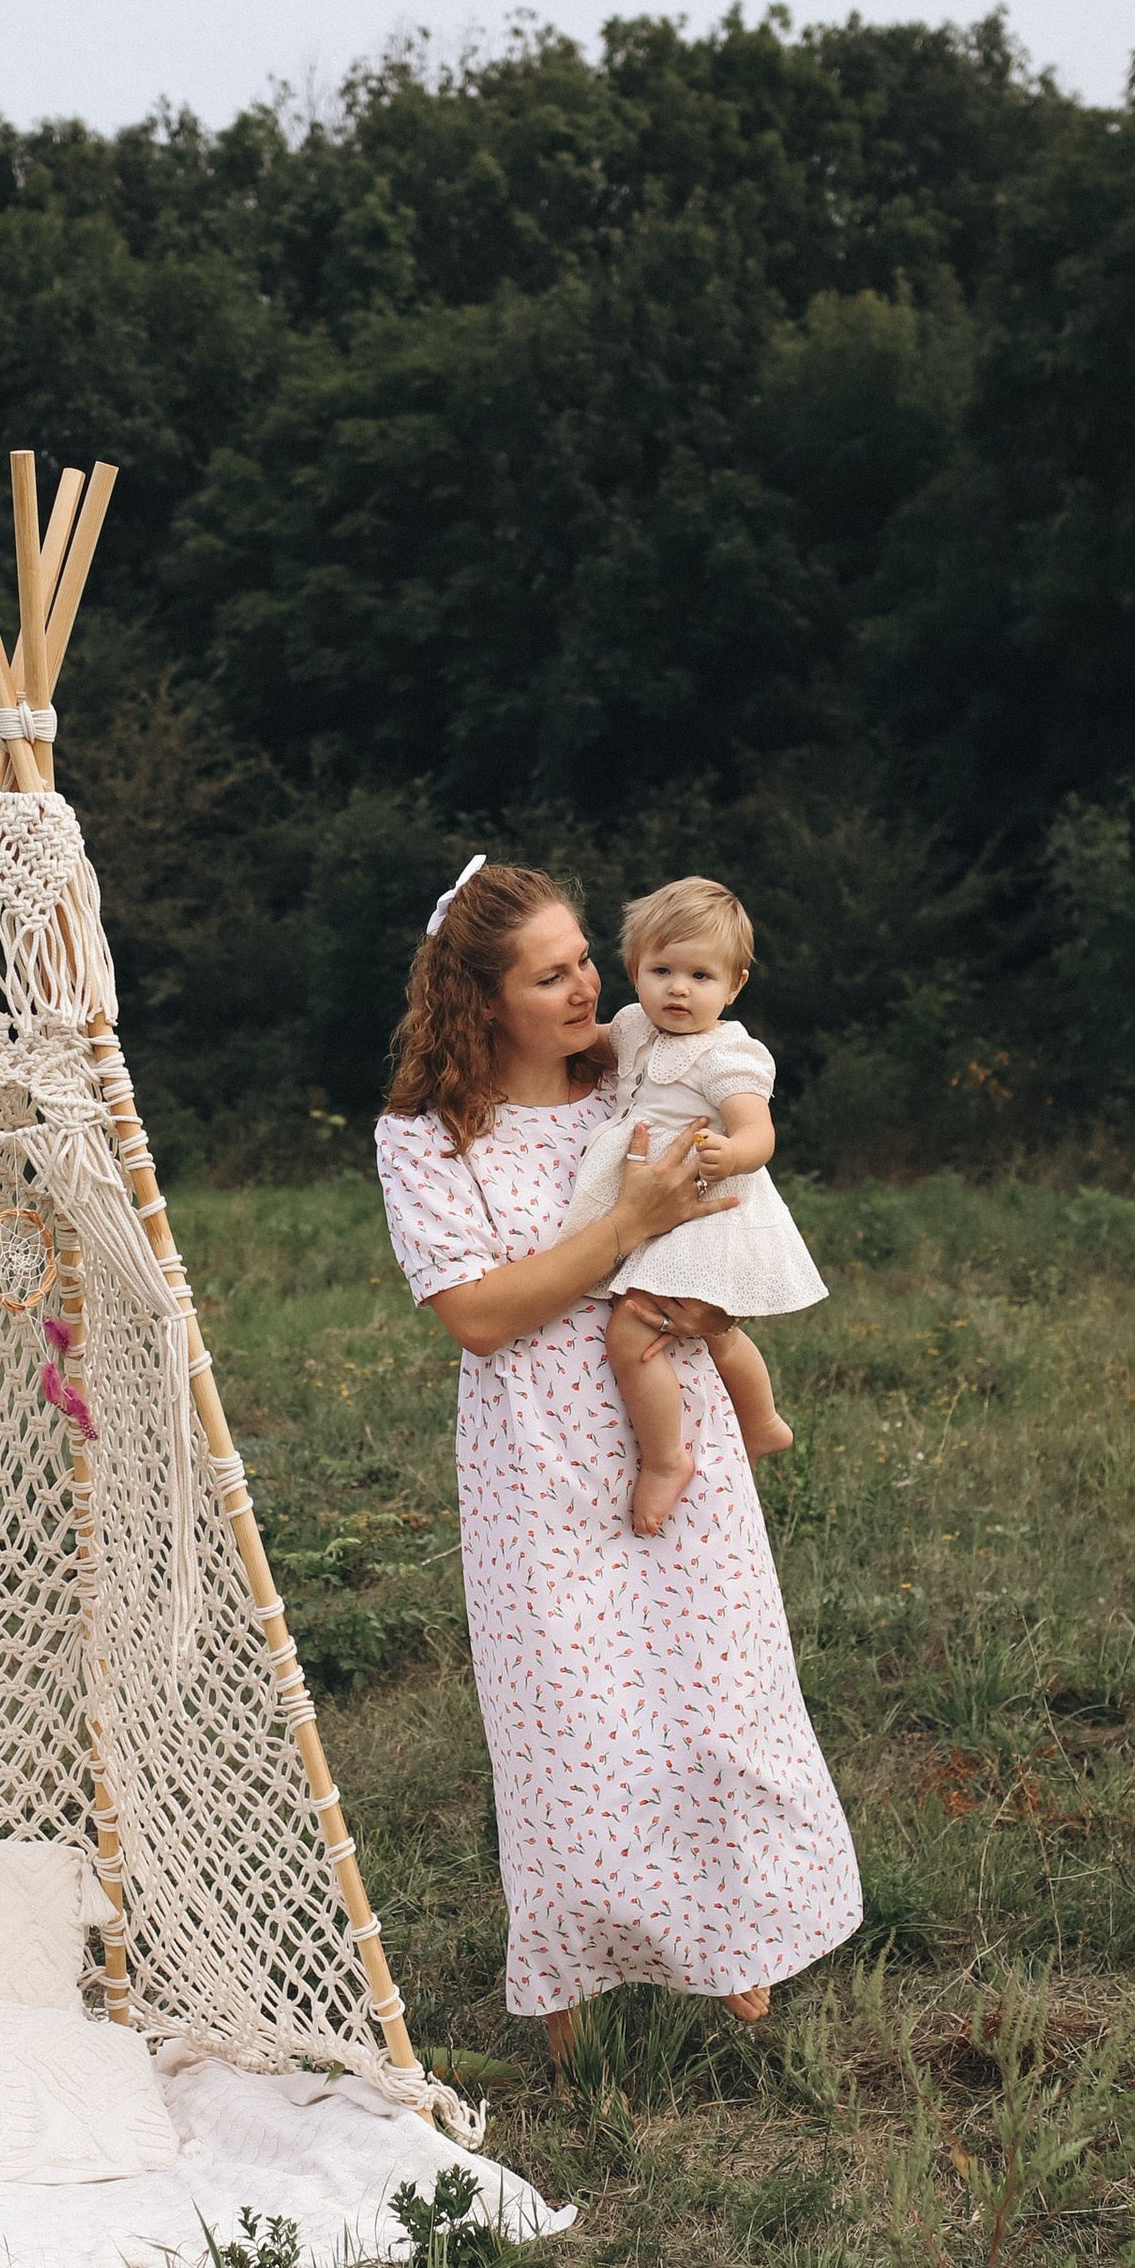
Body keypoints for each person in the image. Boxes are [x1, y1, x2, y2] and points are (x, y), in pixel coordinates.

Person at [373, 859, 861, 2058]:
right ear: (481, 1001)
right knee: (570, 1724)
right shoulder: (429, 1137)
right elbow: (480, 1317)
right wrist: (628, 1228)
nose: (592, 984)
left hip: (670, 1422)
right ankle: (576, 1981)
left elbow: (739, 1183)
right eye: (553, 975)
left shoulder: (636, 1073)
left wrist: (715, 1303)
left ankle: (731, 1943)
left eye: (588, 956)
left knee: (714, 1699)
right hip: (536, 1458)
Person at [556, 875, 828, 1537]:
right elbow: (578, 1042)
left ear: (733, 986)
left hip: (705, 1205)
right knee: (703, 1325)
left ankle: (666, 1458)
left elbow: (759, 1132)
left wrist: (731, 1154)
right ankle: (761, 1423)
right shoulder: (630, 1026)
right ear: (634, 972)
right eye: (662, 970)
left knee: (635, 1330)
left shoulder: (728, 1053)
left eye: (701, 976)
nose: (679, 989)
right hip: (659, 1203)